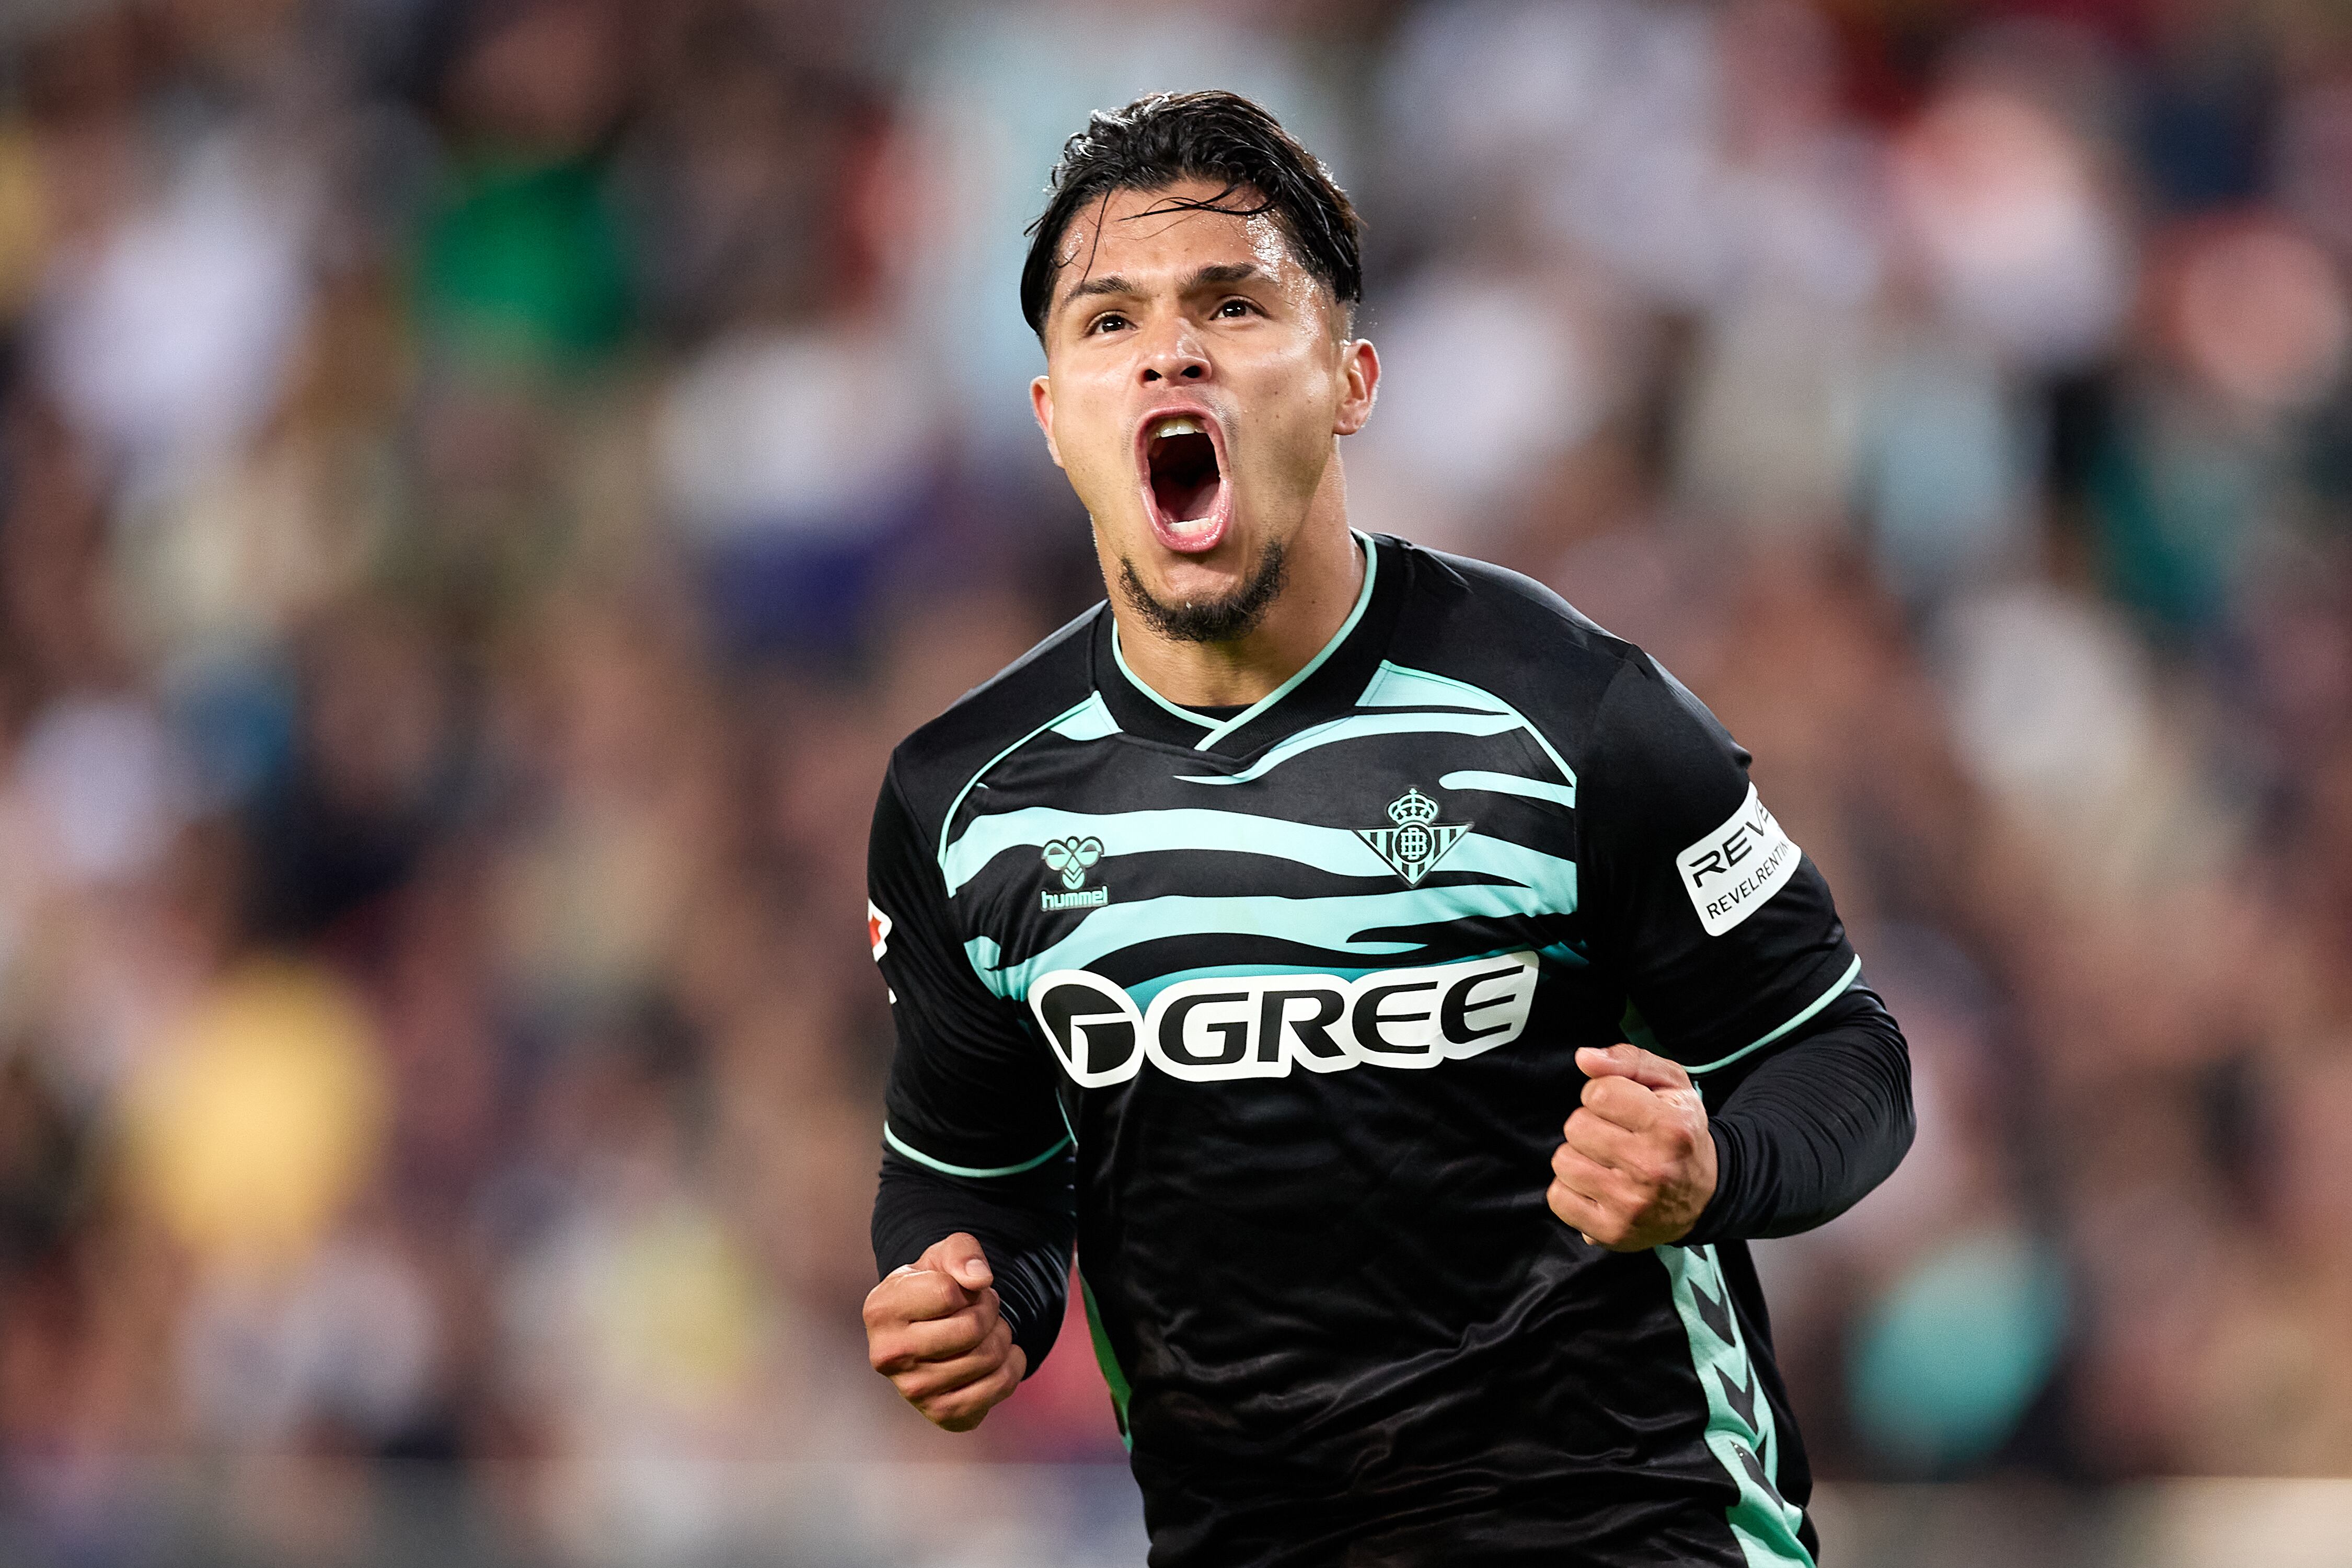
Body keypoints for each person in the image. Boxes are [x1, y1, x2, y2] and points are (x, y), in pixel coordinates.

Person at [861, 89, 1912, 1567]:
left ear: (1350, 379)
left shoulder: (1581, 720)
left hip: (1622, 1528)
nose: (1168, 348)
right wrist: (969, 1298)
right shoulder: (965, 802)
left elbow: (1842, 1054)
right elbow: (972, 1176)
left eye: (1232, 304)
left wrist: (1712, 1169)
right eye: (1107, 322)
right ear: (1052, 415)